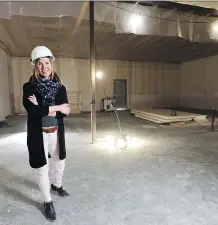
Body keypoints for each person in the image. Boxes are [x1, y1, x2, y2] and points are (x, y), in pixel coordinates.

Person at [22, 46, 70, 222]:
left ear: (52, 64)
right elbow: (32, 112)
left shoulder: (60, 88)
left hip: (56, 132)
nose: (44, 67)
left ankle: (56, 185)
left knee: (60, 163)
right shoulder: (29, 87)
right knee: (42, 168)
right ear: (35, 66)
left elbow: (66, 111)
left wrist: (43, 108)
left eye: (47, 63)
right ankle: (47, 201)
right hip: (38, 134)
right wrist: (57, 108)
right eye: (40, 63)